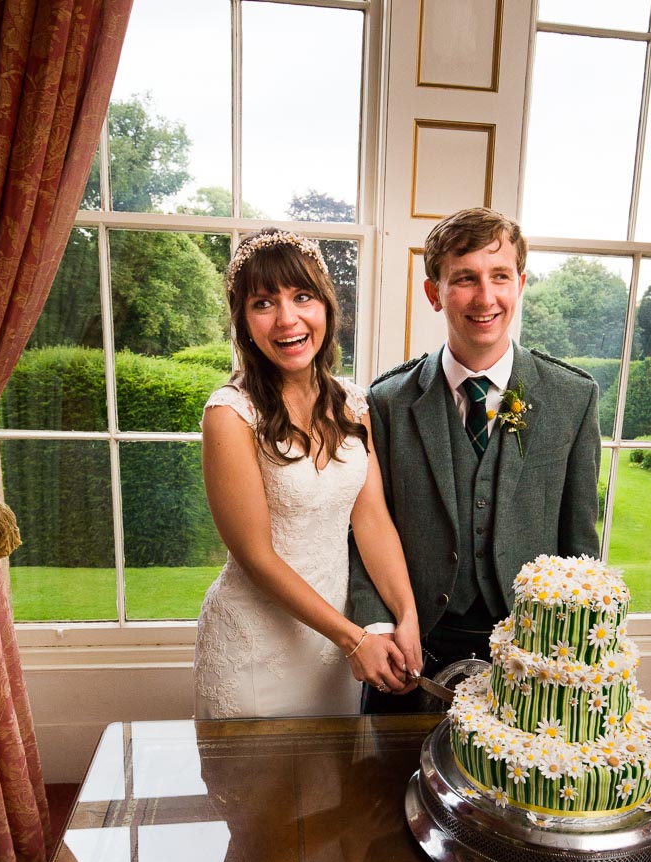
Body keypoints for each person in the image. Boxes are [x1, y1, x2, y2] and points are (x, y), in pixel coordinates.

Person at [349, 207, 600, 712]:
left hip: (535, 662)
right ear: (434, 293)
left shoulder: (572, 398)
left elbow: (580, 549)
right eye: (464, 279)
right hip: (413, 656)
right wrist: (379, 628)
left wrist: (580, 658)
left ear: (521, 283)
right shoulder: (387, 403)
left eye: (499, 276)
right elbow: (363, 532)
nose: (485, 297)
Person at [193, 228, 422, 719]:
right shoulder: (230, 415)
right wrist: (354, 638)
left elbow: (373, 520)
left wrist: (406, 616)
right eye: (263, 303)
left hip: (331, 651)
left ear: (326, 307)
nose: (287, 319)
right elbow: (255, 556)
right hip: (253, 649)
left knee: (328, 795)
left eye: (302, 297)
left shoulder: (354, 403)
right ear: (244, 322)